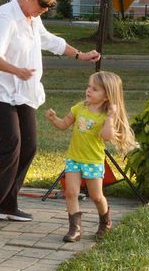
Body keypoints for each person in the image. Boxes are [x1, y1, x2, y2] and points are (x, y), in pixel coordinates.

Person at [0, 0, 101, 235]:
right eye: (43, 4)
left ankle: (6, 204)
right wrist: (15, 70)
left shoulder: (32, 18)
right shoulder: (6, 17)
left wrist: (80, 55)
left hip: (24, 94)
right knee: (11, 145)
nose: (46, 10)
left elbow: (50, 40)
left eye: (50, 6)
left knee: (29, 146)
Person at [45, 71, 136, 242]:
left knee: (96, 196)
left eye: (94, 89)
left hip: (93, 161)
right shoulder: (79, 107)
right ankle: (75, 229)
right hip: (74, 158)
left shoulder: (105, 116)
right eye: (88, 86)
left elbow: (107, 136)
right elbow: (64, 124)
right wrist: (53, 118)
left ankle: (105, 221)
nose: (88, 90)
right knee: (71, 192)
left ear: (106, 96)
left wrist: (110, 117)